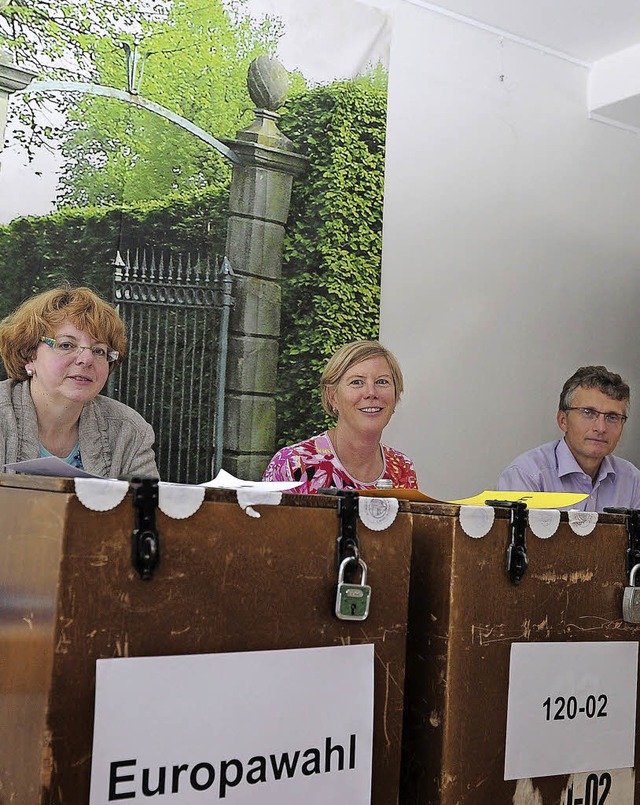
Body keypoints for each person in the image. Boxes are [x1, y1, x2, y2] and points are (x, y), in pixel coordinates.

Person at [0, 285, 159, 478]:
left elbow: (146, 507)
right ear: (29, 356)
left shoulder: (129, 431)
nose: (86, 359)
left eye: (99, 350)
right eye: (66, 345)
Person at [262, 340, 418, 493]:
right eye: (357, 382)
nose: (371, 392)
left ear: (396, 394)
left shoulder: (402, 468)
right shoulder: (293, 464)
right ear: (332, 397)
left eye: (382, 381)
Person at [497, 365, 640, 512]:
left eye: (612, 417)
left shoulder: (633, 481)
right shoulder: (526, 475)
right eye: (588, 412)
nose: (601, 428)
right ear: (563, 420)